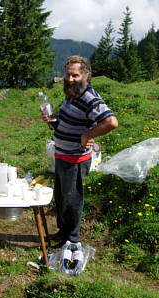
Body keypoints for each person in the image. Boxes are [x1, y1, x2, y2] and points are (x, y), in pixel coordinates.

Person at [41, 55, 118, 244]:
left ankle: (72, 239)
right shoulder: (73, 93)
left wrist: (87, 135)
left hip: (75, 159)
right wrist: (54, 119)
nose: (70, 79)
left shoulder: (89, 97)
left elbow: (111, 122)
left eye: (75, 75)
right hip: (62, 154)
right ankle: (63, 231)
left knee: (72, 200)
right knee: (61, 197)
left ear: (86, 76)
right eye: (68, 75)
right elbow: (71, 118)